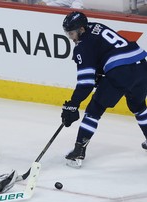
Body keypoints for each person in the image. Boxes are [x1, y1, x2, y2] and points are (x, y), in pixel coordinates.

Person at [60, 11, 147, 168]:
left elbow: (85, 83)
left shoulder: (82, 47)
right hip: (142, 66)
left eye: (72, 33)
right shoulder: (96, 26)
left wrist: (73, 104)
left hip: (121, 72)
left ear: (81, 30)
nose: (71, 37)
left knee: (94, 110)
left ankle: (78, 152)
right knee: (138, 106)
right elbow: (106, 50)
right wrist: (101, 73)